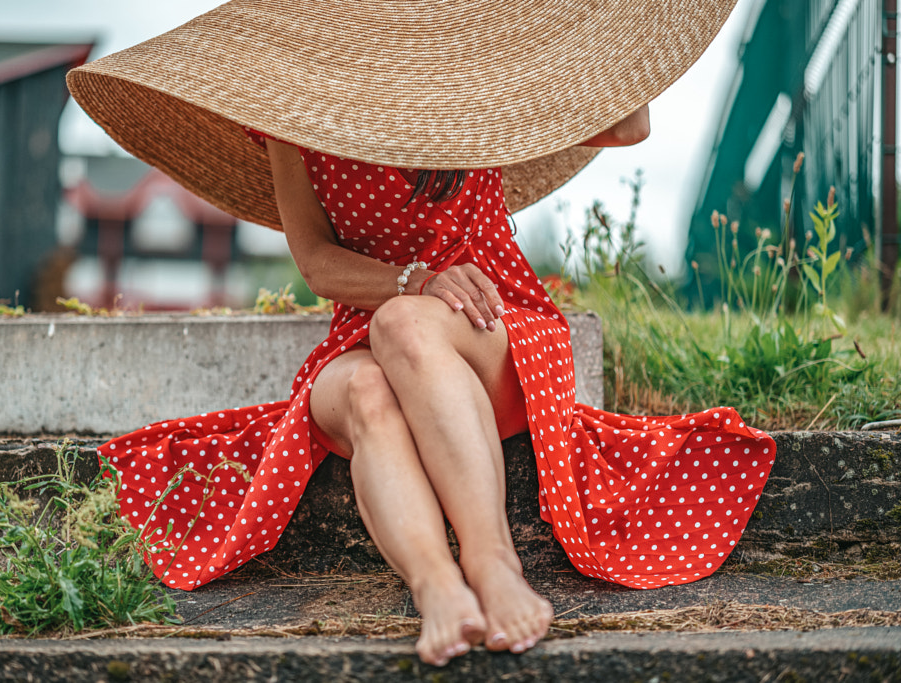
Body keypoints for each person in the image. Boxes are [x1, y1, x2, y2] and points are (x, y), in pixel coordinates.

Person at [68, 0, 774, 667]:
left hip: (496, 326)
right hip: (366, 326)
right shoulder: (292, 112)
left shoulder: (472, 81)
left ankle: (492, 563)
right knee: (368, 385)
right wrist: (415, 280)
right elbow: (315, 262)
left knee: (403, 325)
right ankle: (436, 584)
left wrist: (594, 37)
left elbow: (626, 129)